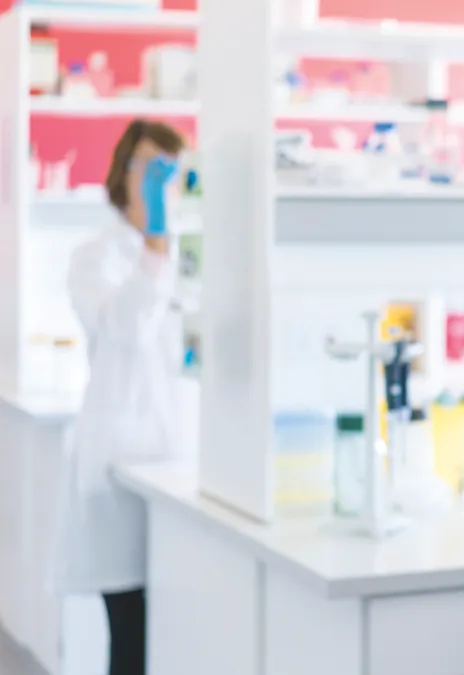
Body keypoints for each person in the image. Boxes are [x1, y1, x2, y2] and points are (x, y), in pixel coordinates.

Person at [53, 119, 191, 675]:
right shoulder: (94, 257)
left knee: (174, 630)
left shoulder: (180, 248)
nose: (158, 182)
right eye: (148, 168)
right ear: (123, 172)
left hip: (172, 457)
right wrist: (154, 241)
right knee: (131, 633)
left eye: (168, 170)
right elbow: (127, 326)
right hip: (117, 465)